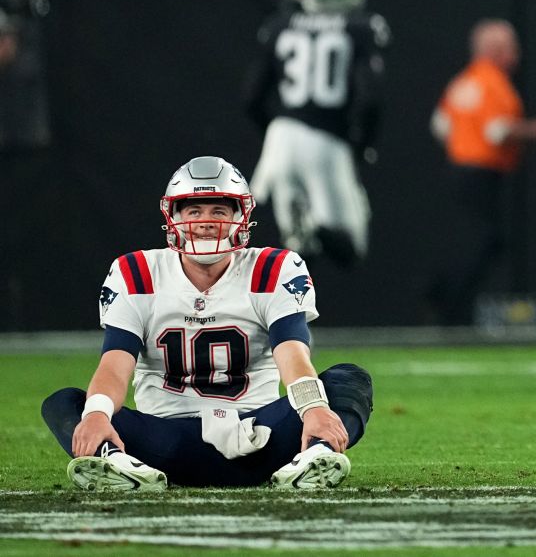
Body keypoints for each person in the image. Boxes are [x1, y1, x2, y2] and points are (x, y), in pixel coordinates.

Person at [39, 156, 373, 491]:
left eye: (218, 211)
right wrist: (97, 415)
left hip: (260, 433)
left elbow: (293, 356)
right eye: (194, 211)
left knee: (347, 379)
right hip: (164, 442)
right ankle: (114, 459)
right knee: (68, 403)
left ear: (239, 217)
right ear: (174, 217)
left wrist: (313, 409)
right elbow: (114, 366)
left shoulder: (274, 268)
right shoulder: (137, 273)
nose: (205, 222)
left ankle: (316, 455)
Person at [246, 0, 389, 268]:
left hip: (280, 138)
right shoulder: (361, 28)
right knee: (350, 247)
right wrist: (362, 145)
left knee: (296, 251)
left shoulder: (280, 25)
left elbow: (251, 98)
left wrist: (271, 135)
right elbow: (369, 98)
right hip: (326, 142)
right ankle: (310, 225)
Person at [428, 19, 536, 326]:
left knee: (476, 240)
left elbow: (439, 124)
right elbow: (497, 131)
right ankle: (445, 300)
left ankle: (444, 297)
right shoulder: (493, 83)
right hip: (482, 173)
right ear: (495, 50)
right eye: (510, 47)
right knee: (485, 241)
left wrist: (463, 143)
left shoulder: (463, 81)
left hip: (460, 169)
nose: (517, 54)